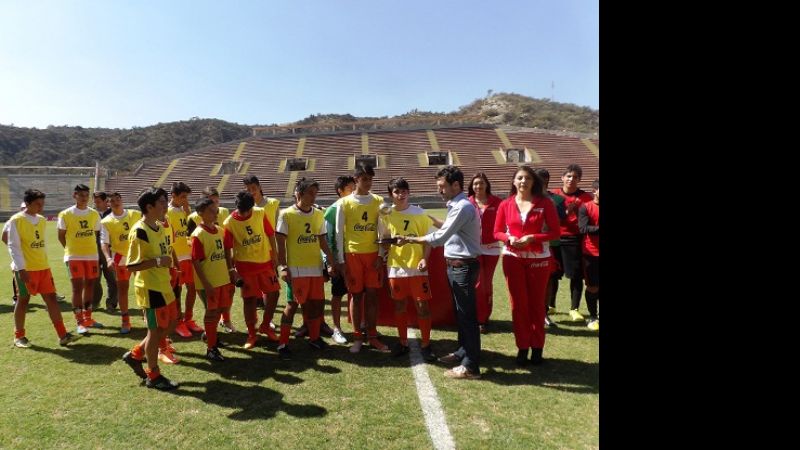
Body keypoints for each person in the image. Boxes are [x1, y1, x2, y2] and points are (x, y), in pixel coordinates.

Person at [398, 165, 482, 380]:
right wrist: (429, 219)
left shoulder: (462, 206)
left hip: (462, 266)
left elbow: (441, 238)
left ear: (456, 185)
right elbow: (449, 229)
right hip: (458, 265)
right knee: (460, 314)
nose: (439, 191)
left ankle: (471, 365)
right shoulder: (458, 205)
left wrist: (413, 239)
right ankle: (463, 352)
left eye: (442, 186)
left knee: (467, 316)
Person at [493, 166, 560, 365]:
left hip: (539, 259)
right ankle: (522, 347)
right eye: (519, 178)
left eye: (527, 178)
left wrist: (533, 238)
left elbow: (555, 233)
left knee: (537, 305)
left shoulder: (545, 203)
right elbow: (496, 232)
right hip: (512, 258)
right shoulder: (505, 204)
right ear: (514, 182)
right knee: (518, 305)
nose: (523, 181)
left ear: (534, 182)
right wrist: (509, 238)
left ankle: (537, 348)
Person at [121, 187, 179, 390]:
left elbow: (167, 253)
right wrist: (157, 261)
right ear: (149, 207)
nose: (166, 205)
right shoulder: (140, 231)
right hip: (150, 288)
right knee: (155, 332)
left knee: (172, 323)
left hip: (164, 285)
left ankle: (136, 354)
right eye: (162, 202)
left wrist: (171, 267)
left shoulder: (160, 226)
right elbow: (131, 265)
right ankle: (153, 376)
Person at [6, 189, 78, 348]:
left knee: (51, 299)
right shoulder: (16, 220)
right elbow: (13, 246)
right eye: (38, 204)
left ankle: (63, 335)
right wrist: (21, 268)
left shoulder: (41, 220)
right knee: (23, 301)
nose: (41, 207)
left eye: (42, 204)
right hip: (25, 269)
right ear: (28, 204)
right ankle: (19, 336)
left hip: (43, 267)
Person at [275, 178, 337, 359]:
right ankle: (283, 343)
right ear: (300, 194)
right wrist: (283, 266)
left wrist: (331, 263)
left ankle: (314, 338)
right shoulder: (286, 214)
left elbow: (323, 241)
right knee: (292, 305)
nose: (313, 196)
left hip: (316, 268)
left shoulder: (318, 214)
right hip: (296, 270)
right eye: (310, 192)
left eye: (315, 193)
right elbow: (280, 242)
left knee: (316, 304)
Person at [335, 163, 389, 353]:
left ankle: (372, 336)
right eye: (364, 179)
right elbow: (338, 233)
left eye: (370, 179)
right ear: (356, 179)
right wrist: (341, 261)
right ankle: (358, 336)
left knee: (373, 296)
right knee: (356, 296)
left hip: (373, 255)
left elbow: (383, 230)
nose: (368, 182)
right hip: (353, 256)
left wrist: (381, 255)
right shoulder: (345, 203)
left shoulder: (379, 201)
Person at [382, 178, 437, 362]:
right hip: (396, 267)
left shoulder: (420, 213)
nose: (401, 194)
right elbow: (384, 240)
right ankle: (403, 341)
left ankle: (426, 344)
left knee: (422, 305)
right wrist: (390, 243)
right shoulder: (386, 214)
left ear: (409, 192)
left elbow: (428, 239)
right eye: (397, 191)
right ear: (391, 194)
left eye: (404, 191)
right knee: (399, 305)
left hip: (416, 267)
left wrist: (424, 259)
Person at [223, 191, 280, 349]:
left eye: (248, 210)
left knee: (274, 293)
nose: (245, 213)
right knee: (249, 300)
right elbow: (227, 249)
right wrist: (230, 269)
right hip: (245, 266)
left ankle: (266, 325)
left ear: (252, 206)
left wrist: (274, 254)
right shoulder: (229, 223)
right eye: (242, 210)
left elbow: (270, 234)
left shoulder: (260, 213)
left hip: (265, 262)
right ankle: (252, 334)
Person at [190, 198, 235, 361]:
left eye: (216, 209)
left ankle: (210, 336)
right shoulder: (198, 235)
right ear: (200, 213)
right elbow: (196, 261)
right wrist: (206, 284)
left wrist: (231, 271)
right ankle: (211, 348)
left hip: (223, 279)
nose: (216, 212)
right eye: (211, 210)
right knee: (212, 312)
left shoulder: (220, 230)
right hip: (209, 283)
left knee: (222, 309)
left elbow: (226, 254)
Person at [58, 184, 103, 334]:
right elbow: (61, 235)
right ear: (74, 195)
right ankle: (79, 322)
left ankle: (88, 317)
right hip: (73, 256)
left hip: (91, 255)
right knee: (77, 288)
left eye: (86, 195)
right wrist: (70, 249)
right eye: (81, 195)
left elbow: (95, 234)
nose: (84, 198)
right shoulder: (65, 214)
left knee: (90, 285)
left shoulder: (94, 214)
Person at [552, 164, 594, 322]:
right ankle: (551, 305)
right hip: (554, 239)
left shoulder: (585, 198)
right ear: (562, 178)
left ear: (579, 180)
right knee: (553, 274)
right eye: (568, 176)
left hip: (574, 239)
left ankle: (574, 308)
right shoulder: (554, 195)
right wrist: (564, 212)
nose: (571, 179)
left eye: (575, 177)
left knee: (576, 275)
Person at [242, 175, 281, 340]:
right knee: (252, 294)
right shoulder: (245, 207)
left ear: (259, 187)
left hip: (269, 251)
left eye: (253, 188)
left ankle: (268, 321)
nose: (251, 192)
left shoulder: (272, 204)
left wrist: (277, 253)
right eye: (248, 189)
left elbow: (277, 229)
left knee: (270, 289)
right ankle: (255, 324)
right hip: (252, 253)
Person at [100, 192, 142, 333]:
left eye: (118, 199)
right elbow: (104, 243)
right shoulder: (106, 222)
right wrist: (108, 258)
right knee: (123, 289)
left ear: (122, 200)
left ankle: (146, 314)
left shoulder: (135, 214)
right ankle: (125, 320)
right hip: (121, 258)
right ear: (108, 203)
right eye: (112, 200)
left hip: (139, 256)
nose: (116, 202)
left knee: (143, 287)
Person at [467, 172, 503, 334]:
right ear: (471, 186)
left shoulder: (497, 202)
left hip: (492, 249)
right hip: (473, 248)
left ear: (487, 185)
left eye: (481, 183)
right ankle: (480, 319)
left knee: (486, 284)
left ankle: (485, 316)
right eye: (475, 184)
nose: (478, 186)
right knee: (478, 284)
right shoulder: (467, 202)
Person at [321, 175, 355, 344]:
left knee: (357, 293)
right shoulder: (333, 210)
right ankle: (337, 329)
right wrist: (331, 262)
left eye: (354, 187)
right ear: (340, 191)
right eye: (350, 188)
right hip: (338, 261)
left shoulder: (355, 206)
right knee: (337, 294)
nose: (354, 191)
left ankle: (359, 326)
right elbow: (327, 240)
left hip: (355, 258)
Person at [165, 182, 201, 338]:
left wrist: (187, 210)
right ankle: (178, 322)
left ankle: (188, 319)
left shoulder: (184, 210)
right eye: (183, 197)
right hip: (176, 258)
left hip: (188, 255)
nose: (185, 200)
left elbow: (188, 230)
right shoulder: (166, 212)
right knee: (177, 291)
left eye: (187, 197)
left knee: (192, 288)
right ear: (173, 195)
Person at [533, 168, 567, 328]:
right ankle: (533, 312)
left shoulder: (557, 200)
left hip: (551, 245)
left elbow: (560, 220)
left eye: (544, 179)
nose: (542, 181)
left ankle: (544, 312)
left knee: (550, 280)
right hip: (531, 245)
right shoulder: (527, 198)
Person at [578, 179, 600, 331]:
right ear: (595, 191)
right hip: (591, 253)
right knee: (592, 287)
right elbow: (583, 228)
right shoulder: (586, 207)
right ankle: (593, 316)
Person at [92, 191, 118, 312]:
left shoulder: (113, 213)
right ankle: (95, 302)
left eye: (98, 201)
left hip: (110, 249)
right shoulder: (91, 214)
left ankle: (111, 303)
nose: (95, 204)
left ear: (105, 202)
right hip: (93, 250)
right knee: (94, 278)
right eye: (94, 201)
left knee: (112, 278)